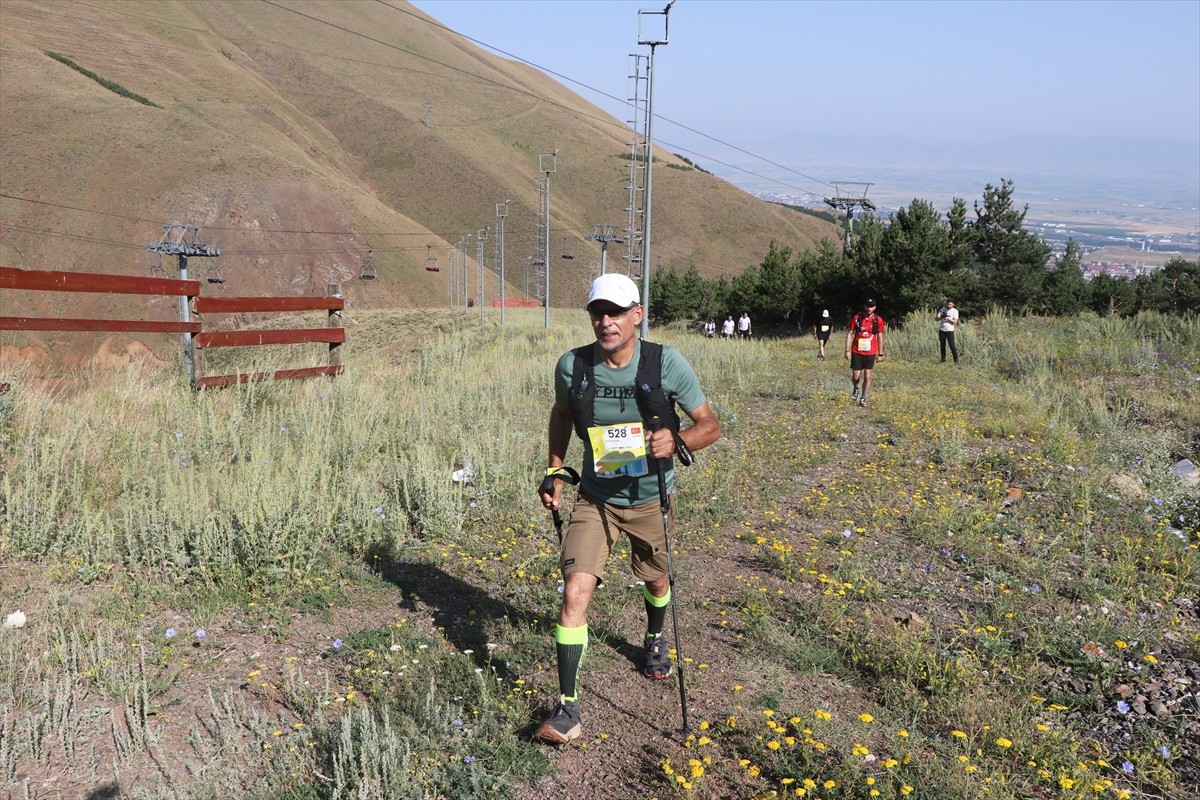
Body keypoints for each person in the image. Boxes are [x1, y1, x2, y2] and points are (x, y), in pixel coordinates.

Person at [535, 273, 721, 745]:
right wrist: (556, 470)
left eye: (616, 312)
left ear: (637, 315)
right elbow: (561, 415)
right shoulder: (572, 366)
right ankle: (567, 711)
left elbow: (710, 426)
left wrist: (676, 440)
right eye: (598, 312)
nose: (606, 321)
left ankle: (655, 639)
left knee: (655, 577)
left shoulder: (666, 363)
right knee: (574, 591)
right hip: (595, 499)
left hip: (650, 498)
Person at [844, 298, 885, 408]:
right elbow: (849, 334)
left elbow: (880, 337)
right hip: (857, 351)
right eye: (867, 306)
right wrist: (847, 350)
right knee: (856, 376)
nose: (869, 308)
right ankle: (856, 387)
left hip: (870, 352)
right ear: (864, 306)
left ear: (875, 307)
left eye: (871, 306)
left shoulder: (878, 320)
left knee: (867, 375)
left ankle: (863, 397)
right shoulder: (857, 318)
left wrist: (880, 354)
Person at [936, 299, 959, 364]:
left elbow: (955, 322)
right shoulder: (943, 309)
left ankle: (956, 361)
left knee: (952, 346)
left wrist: (948, 318)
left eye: (950, 304)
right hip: (942, 330)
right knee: (942, 345)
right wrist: (941, 317)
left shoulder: (955, 311)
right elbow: (936, 318)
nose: (949, 306)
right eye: (948, 304)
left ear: (953, 304)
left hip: (950, 331)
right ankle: (943, 360)